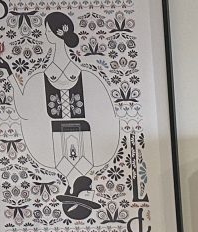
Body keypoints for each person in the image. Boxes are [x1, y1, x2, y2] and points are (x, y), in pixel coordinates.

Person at [12, 11, 121, 216]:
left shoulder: (49, 161)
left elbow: (25, 112)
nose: (90, 191)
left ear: (56, 33)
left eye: (47, 30)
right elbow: (25, 111)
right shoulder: (95, 159)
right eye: (89, 194)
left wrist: (10, 75)